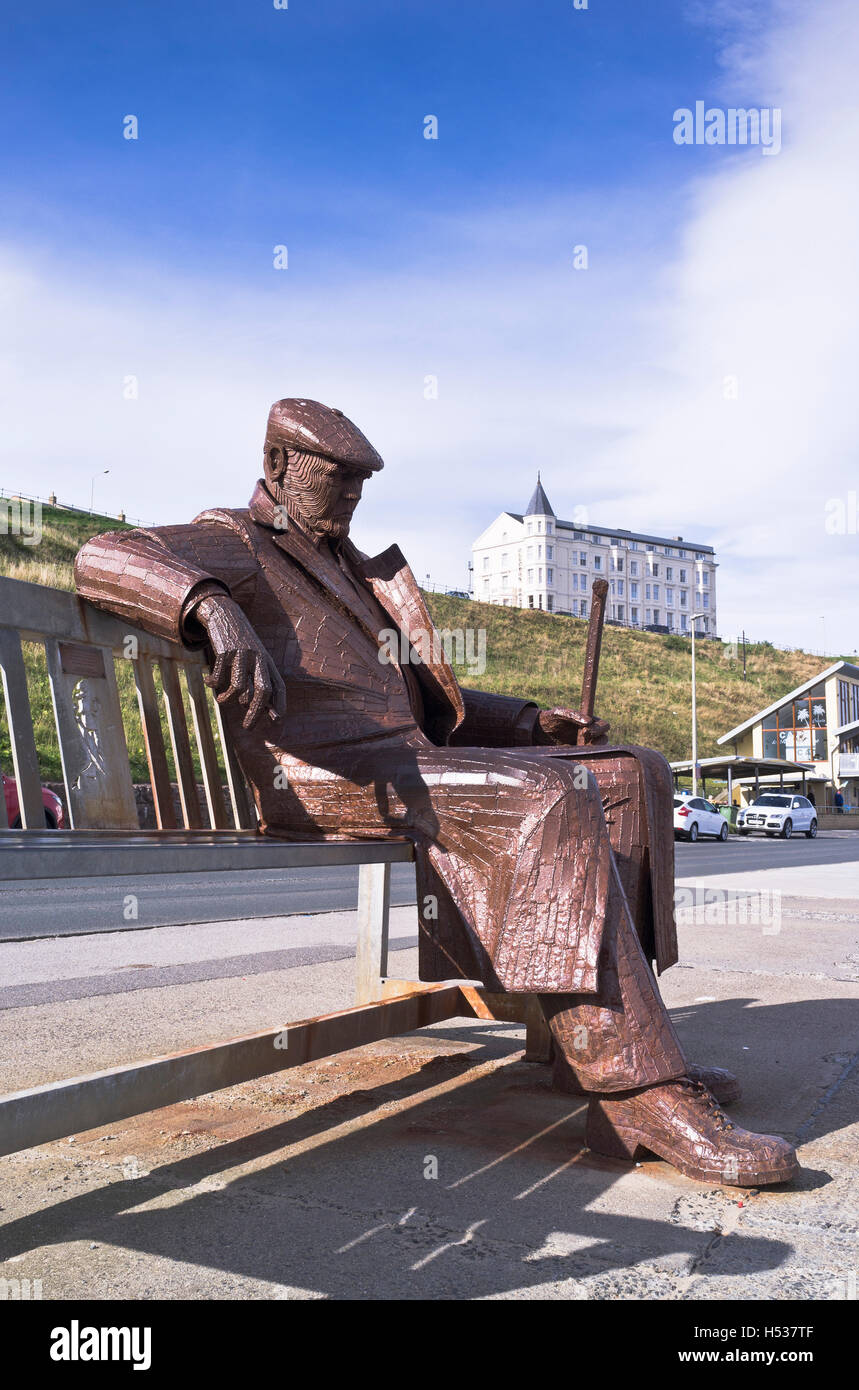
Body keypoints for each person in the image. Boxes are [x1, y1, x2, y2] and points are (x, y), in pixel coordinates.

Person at [74, 398, 797, 1186]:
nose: (350, 496)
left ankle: (583, 1049)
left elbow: (425, 703)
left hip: (407, 765)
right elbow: (103, 555)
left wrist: (529, 721)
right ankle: (643, 1091)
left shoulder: (353, 571)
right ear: (279, 466)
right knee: (545, 799)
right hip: (327, 776)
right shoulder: (237, 540)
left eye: (360, 483)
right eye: (335, 478)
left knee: (630, 773)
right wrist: (206, 603)